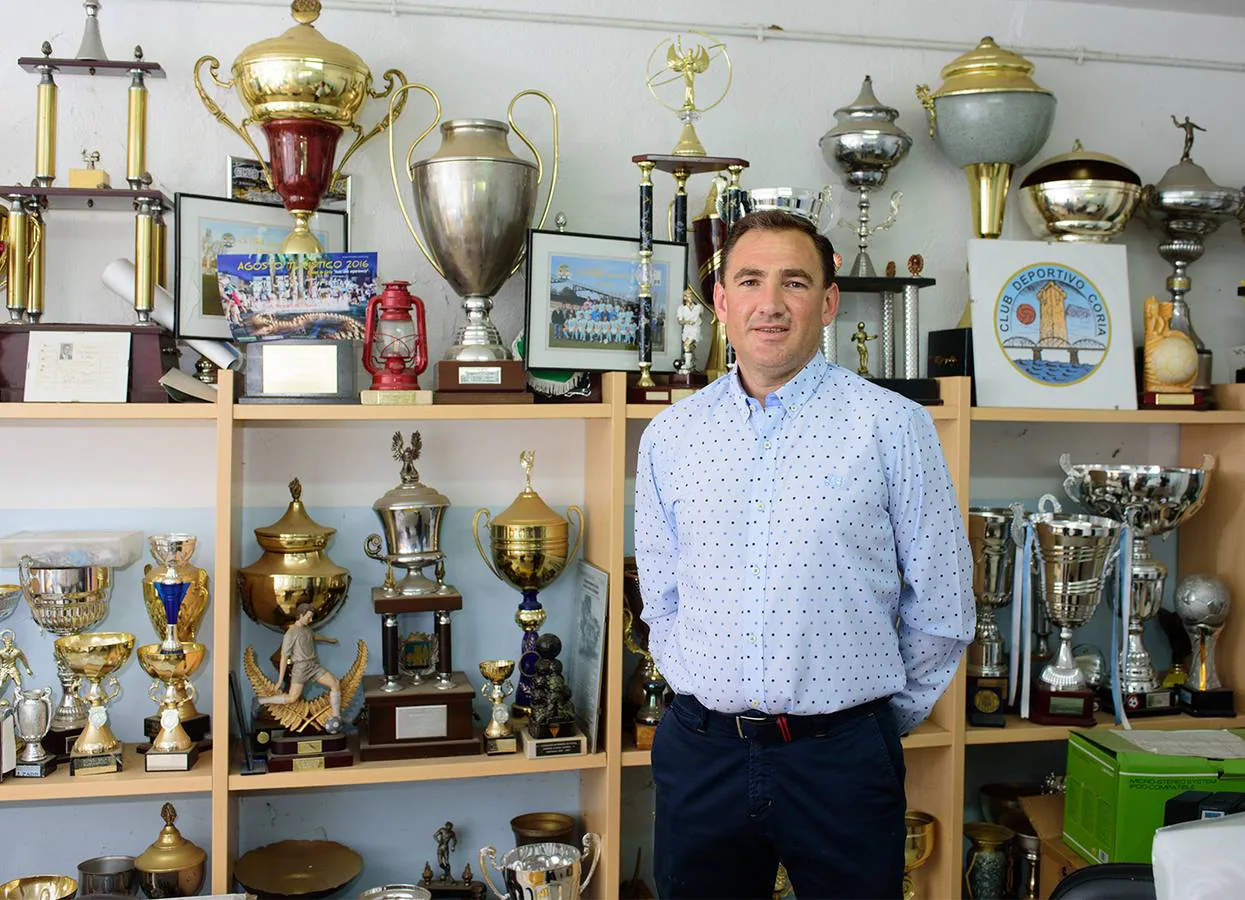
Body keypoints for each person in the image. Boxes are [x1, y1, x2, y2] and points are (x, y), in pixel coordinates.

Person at [634, 209, 974, 900]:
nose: (770, 303)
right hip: (702, 756)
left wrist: (870, 723)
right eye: (749, 281)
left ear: (826, 302)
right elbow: (661, 599)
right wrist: (700, 691)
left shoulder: (893, 427)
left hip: (841, 763)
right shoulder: (670, 438)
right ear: (721, 301)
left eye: (793, 282)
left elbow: (942, 603)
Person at [257, 602, 343, 733]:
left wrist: (329, 640)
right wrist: (280, 681)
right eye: (308, 617)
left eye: (311, 617)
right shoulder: (291, 633)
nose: (311, 620)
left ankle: (336, 717)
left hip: (313, 666)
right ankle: (262, 701)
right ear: (301, 615)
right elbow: (284, 658)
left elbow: (314, 636)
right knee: (292, 698)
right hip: (300, 668)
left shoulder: (307, 628)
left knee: (335, 683)